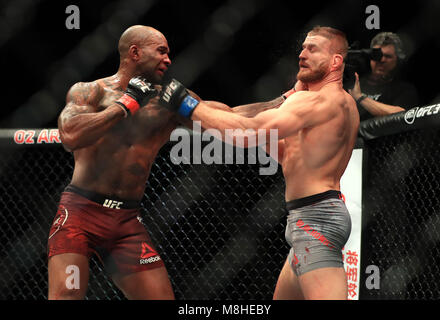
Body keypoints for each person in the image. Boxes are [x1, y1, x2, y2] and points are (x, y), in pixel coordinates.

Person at [47, 25, 287, 300]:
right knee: (67, 294)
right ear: (135, 52)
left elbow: (229, 115)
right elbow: (70, 135)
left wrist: (282, 100)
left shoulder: (168, 101)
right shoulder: (91, 91)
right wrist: (124, 105)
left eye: (169, 53)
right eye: (161, 51)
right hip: (80, 214)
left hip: (125, 222)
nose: (168, 59)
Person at [159, 26, 360, 300]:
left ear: (336, 61)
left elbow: (248, 132)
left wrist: (186, 105)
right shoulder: (335, 105)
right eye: (302, 48)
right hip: (306, 219)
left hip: (315, 221)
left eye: (313, 49)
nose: (302, 54)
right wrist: (197, 111)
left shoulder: (320, 101)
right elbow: (270, 142)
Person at [348, 32, 419, 121]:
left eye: (388, 56)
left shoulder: (404, 90)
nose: (381, 60)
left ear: (397, 59)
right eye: (377, 55)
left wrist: (360, 98)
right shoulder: (354, 84)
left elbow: (402, 114)